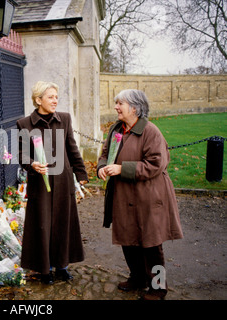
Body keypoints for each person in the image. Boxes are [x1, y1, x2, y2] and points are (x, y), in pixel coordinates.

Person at [97, 89, 183, 300]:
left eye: (120, 104)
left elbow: (156, 164)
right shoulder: (117, 128)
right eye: (117, 103)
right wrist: (102, 166)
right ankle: (137, 278)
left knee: (152, 246)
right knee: (128, 240)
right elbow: (106, 153)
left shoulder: (151, 132)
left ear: (134, 108)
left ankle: (158, 288)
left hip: (149, 198)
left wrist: (121, 169)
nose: (116, 107)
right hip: (123, 197)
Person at [17, 81, 89, 284]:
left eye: (56, 97)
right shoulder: (24, 124)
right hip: (40, 184)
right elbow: (21, 153)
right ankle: (45, 269)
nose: (55, 100)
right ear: (38, 100)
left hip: (63, 181)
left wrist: (80, 173)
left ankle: (62, 267)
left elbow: (72, 147)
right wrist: (32, 164)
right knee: (42, 225)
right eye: (50, 97)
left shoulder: (64, 119)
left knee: (63, 224)